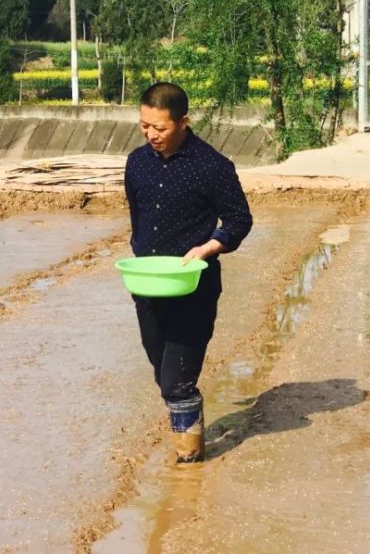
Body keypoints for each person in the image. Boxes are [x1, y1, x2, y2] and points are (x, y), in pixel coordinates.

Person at [123, 82, 253, 462]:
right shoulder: (137, 162)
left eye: (159, 128)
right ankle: (186, 425)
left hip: (192, 288)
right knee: (161, 369)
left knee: (177, 382)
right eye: (144, 126)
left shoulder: (212, 166)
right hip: (147, 285)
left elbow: (239, 219)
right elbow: (138, 217)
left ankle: (189, 462)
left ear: (183, 122)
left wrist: (208, 247)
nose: (151, 135)